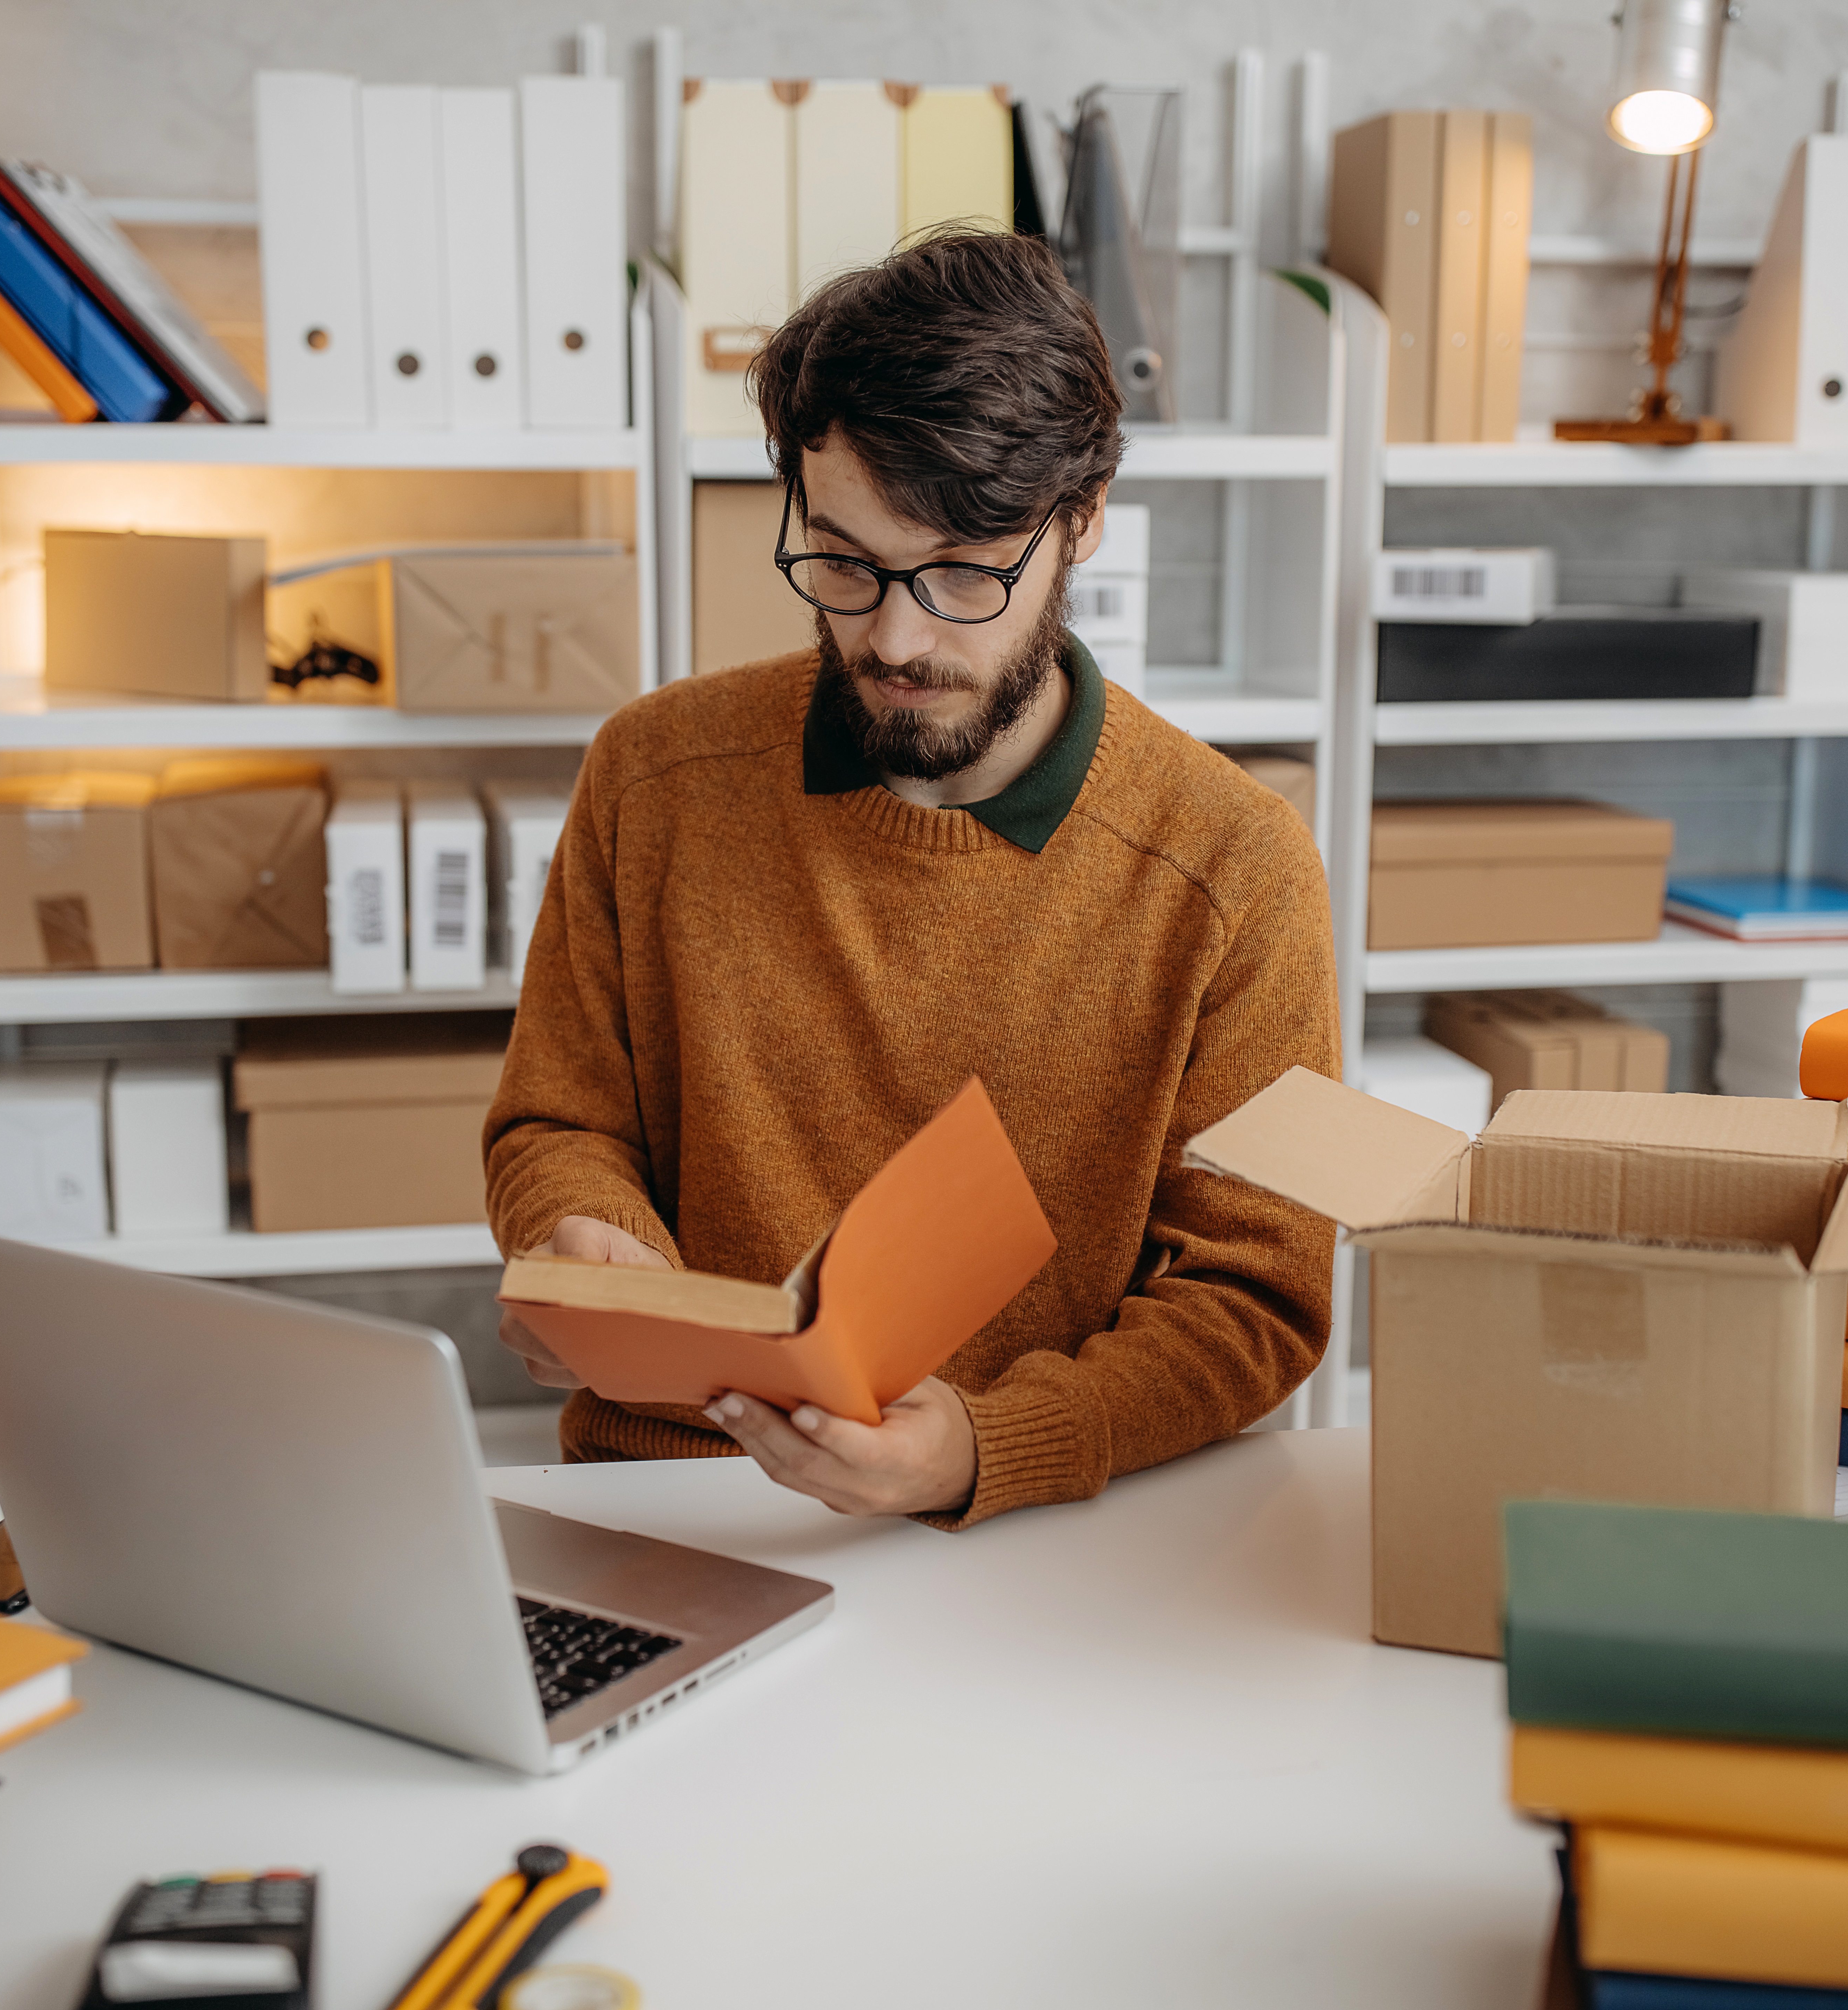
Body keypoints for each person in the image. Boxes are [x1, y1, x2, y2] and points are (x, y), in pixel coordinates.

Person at [484, 228, 1339, 1527]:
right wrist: (575, 1239)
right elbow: (561, 1126)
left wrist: (986, 1449)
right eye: (844, 561)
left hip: (1037, 1530)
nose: (893, 635)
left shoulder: (1232, 864)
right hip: (671, 1499)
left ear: (1083, 524)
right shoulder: (653, 775)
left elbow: (1258, 1298)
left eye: (961, 573)